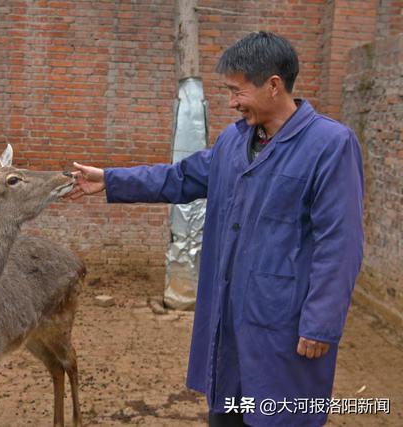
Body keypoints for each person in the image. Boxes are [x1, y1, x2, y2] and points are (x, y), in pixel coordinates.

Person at [68, 31, 363, 427]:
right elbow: (179, 178)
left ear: (273, 85)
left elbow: (340, 242)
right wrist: (111, 179)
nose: (231, 102)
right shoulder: (233, 141)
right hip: (229, 317)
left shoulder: (330, 145)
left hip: (284, 324)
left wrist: (321, 323)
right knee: (228, 413)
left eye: (237, 91)